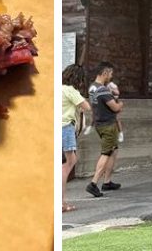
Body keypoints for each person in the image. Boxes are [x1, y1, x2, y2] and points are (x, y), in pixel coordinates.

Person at [86, 62, 124, 197]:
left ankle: (107, 182)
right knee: (106, 152)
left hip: (100, 124)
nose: (111, 76)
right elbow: (115, 107)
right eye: (111, 73)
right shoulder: (102, 90)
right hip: (108, 125)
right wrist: (120, 103)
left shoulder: (92, 88)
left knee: (113, 151)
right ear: (105, 73)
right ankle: (94, 183)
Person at [60, 65, 92, 213]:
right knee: (68, 164)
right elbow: (87, 106)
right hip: (66, 128)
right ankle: (60, 202)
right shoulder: (70, 91)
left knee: (67, 162)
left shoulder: (59, 88)